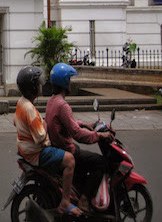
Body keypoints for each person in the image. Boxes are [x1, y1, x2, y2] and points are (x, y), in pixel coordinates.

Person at [14, 65, 82, 217]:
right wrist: (44, 125)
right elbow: (39, 136)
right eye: (38, 84)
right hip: (36, 152)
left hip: (25, 148)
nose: (40, 86)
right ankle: (65, 202)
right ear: (33, 87)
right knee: (70, 159)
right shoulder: (30, 109)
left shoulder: (21, 102)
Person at [46, 63, 113, 212]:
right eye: (69, 80)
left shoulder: (52, 101)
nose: (71, 83)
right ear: (64, 82)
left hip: (58, 147)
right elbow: (77, 134)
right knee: (100, 162)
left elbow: (66, 123)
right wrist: (99, 135)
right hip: (67, 149)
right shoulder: (63, 105)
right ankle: (84, 200)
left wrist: (84, 124)